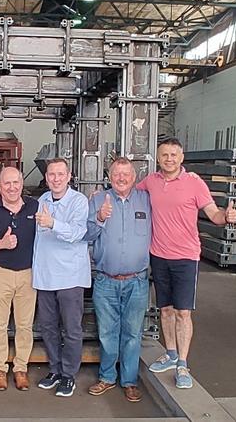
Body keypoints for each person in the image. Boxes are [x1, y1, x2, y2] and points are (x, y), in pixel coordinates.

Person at [138, 138, 236, 389]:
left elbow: (213, 214)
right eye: (164, 155)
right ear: (158, 158)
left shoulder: (194, 182)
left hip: (185, 257)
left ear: (181, 158)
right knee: (166, 309)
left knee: (183, 312)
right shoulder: (151, 181)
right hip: (159, 255)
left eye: (174, 155)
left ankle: (182, 363)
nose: (169, 159)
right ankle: (170, 354)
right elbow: (128, 193)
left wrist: (226, 216)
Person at [84, 158, 151, 403]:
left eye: (126, 174)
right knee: (107, 332)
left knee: (133, 333)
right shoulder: (98, 200)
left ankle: (129, 381)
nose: (121, 178)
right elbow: (86, 234)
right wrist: (100, 217)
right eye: (116, 174)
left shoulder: (146, 200)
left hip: (137, 281)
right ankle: (107, 377)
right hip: (106, 280)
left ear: (134, 177)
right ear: (109, 177)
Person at [32, 158, 90, 397]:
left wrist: (53, 223)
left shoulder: (79, 201)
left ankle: (69, 375)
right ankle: (55, 370)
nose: (55, 179)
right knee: (48, 327)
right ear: (46, 178)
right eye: (51, 175)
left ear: (69, 176)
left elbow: (78, 233)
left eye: (60, 174)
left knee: (71, 329)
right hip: (45, 275)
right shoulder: (42, 200)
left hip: (70, 276)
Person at [0, 167, 38, 391]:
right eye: (7, 183)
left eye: (16, 182)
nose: (12, 187)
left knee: (25, 324)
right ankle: (0, 369)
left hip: (28, 273)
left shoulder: (34, 206)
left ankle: (21, 368)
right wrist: (1, 244)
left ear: (22, 183)